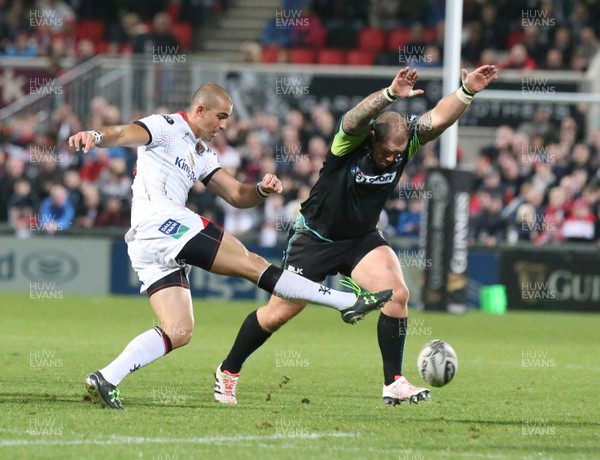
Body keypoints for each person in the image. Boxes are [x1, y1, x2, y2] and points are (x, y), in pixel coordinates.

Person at [68, 83, 392, 410]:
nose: (224, 125)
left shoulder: (202, 153)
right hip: (163, 222)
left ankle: (106, 377)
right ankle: (346, 301)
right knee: (252, 264)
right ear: (199, 110)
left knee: (179, 330)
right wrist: (95, 136)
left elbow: (237, 194)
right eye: (221, 116)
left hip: (147, 242)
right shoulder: (165, 126)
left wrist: (261, 191)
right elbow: (124, 134)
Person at [215, 65, 498, 406]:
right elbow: (353, 118)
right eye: (388, 152)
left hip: (360, 239)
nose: (394, 158)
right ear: (374, 139)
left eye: (399, 153)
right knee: (277, 314)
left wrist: (466, 91)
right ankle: (228, 370)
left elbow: (437, 119)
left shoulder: (403, 144)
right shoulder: (350, 143)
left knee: (396, 295)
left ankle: (393, 381)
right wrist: (391, 94)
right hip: (315, 237)